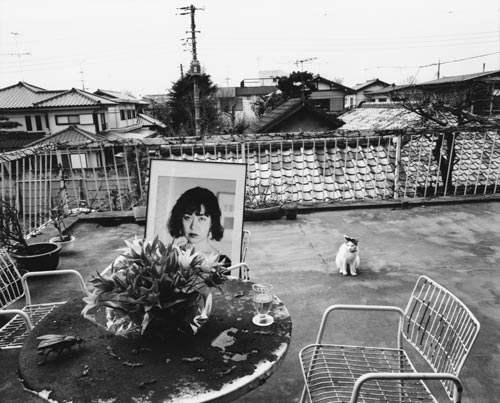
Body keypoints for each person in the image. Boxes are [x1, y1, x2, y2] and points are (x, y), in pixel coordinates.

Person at [167, 187, 231, 268]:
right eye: (187, 218)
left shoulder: (223, 262)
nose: (193, 226)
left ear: (212, 222)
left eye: (201, 219)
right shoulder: (170, 256)